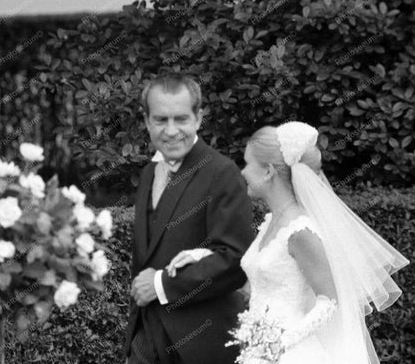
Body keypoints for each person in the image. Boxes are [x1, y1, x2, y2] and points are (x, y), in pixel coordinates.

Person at [167, 121, 409, 364]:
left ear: (269, 171)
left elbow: (329, 301)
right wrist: (202, 258)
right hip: (259, 349)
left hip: (290, 353)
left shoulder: (301, 232)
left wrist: (279, 344)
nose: (243, 172)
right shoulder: (271, 222)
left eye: (249, 164)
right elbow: (256, 279)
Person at [125, 74, 254, 364]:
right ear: (146, 120)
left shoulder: (221, 173)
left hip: (202, 344)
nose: (171, 131)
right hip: (146, 338)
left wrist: (162, 285)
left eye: (181, 119)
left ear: (198, 118)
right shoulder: (148, 173)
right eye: (161, 120)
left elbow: (237, 260)